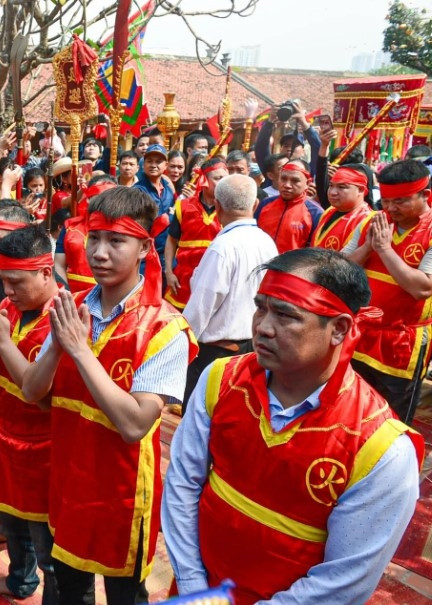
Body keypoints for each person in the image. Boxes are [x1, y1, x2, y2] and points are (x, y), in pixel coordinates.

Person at [163, 248, 423, 605]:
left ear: (339, 329)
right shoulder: (221, 379)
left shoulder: (379, 447)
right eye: (261, 307)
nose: (262, 327)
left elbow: (345, 580)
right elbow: (182, 482)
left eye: (286, 315)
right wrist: (193, 586)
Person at [21, 186, 195, 603]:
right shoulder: (71, 307)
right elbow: (32, 389)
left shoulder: (163, 328)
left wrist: (79, 350)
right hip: (68, 474)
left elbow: (135, 424)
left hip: (123, 488)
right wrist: (60, 346)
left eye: (116, 241)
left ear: (143, 247)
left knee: (122, 593)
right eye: (94, 238)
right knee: (68, 587)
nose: (99, 252)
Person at [0, 224, 60, 603]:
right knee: (11, 522)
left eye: (16, 282)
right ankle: (20, 582)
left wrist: (2, 340)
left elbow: (39, 396)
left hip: (44, 451)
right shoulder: (9, 306)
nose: (7, 291)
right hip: (5, 435)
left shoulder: (63, 318)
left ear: (46, 272)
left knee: (48, 547)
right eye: (3, 281)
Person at [345, 159, 432, 424]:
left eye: (401, 202)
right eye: (385, 201)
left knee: (390, 417)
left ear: (425, 195)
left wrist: (384, 249)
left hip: (402, 342)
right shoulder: (374, 222)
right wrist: (367, 248)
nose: (391, 209)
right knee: (352, 407)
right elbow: (340, 267)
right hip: (361, 333)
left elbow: (422, 288)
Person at [181, 175, 278, 407]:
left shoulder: (223, 247)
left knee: (202, 416)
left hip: (217, 353)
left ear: (217, 205)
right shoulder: (267, 242)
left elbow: (203, 304)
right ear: (254, 205)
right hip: (253, 347)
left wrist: (182, 343)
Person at [164, 157, 227, 310]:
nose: (223, 183)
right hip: (183, 279)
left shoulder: (230, 208)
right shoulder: (184, 206)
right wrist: (169, 272)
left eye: (225, 178)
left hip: (215, 280)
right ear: (204, 179)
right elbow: (172, 240)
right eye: (218, 178)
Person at [54, 175, 117, 293]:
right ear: (88, 198)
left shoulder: (124, 230)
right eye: (98, 197)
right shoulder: (70, 227)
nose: (103, 202)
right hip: (73, 295)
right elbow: (59, 265)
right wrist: (66, 294)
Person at [255, 160, 322, 254]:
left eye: (295, 180)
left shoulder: (316, 213)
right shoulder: (265, 204)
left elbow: (315, 253)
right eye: (283, 178)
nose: (287, 185)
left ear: (307, 183)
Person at [311, 164, 374, 251]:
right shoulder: (330, 211)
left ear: (360, 190)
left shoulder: (366, 220)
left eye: (341, 187)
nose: (333, 192)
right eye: (331, 185)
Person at [132, 144, 175, 265]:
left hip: (167, 252)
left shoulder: (168, 189)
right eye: (149, 161)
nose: (153, 165)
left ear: (166, 165)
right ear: (143, 164)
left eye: (158, 161)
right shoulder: (137, 191)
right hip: (145, 253)